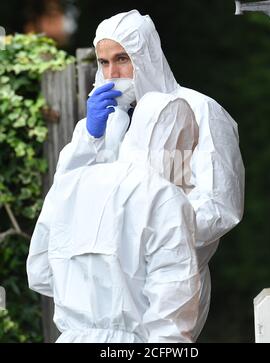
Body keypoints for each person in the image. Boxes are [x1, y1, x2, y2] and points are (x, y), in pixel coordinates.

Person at [27, 9, 244, 340]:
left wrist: (156, 235)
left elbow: (220, 205)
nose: (113, 73)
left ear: (145, 55)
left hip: (169, 283)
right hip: (101, 291)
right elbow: (66, 200)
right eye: (103, 63)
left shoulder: (197, 110)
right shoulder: (103, 124)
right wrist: (90, 138)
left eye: (122, 58)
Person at [27, 92, 201, 343]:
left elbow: (40, 273)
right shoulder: (165, 198)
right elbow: (173, 307)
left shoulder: (71, 185)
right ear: (177, 145)